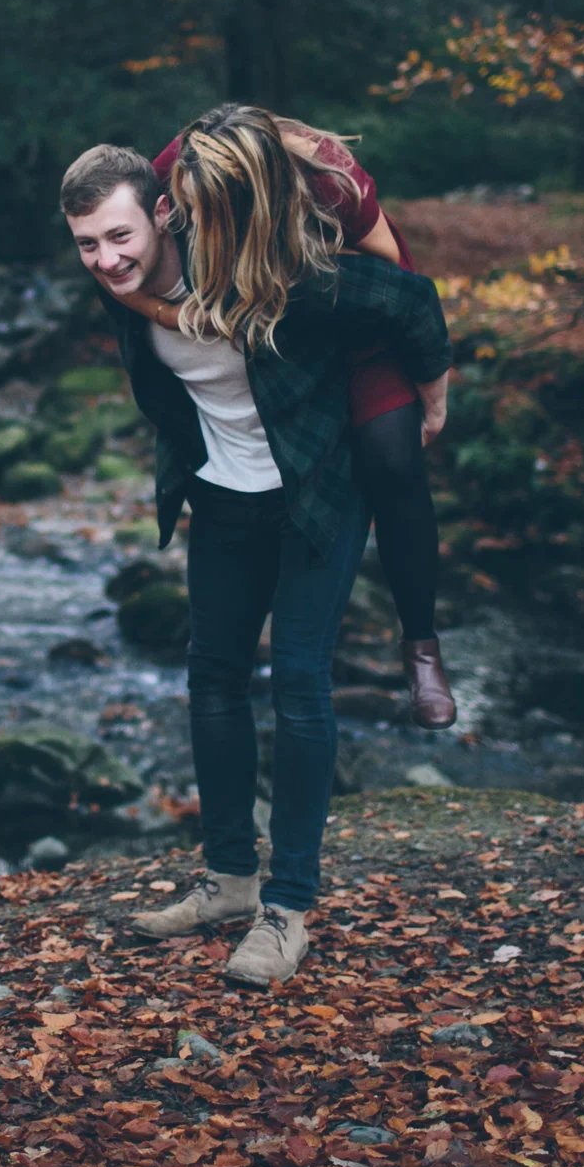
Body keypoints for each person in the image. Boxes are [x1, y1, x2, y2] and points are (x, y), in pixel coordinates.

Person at [60, 135, 453, 986]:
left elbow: (411, 300)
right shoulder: (118, 290)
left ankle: (288, 911)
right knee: (212, 676)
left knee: (301, 680)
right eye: (88, 243)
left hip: (316, 485)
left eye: (119, 237)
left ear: (164, 214)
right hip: (224, 493)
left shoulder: (264, 270)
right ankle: (231, 881)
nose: (106, 259)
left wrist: (430, 398)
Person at [120, 106, 456, 728]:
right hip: (261, 312)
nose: (187, 220)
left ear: (258, 202)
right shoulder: (169, 174)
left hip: (350, 307)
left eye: (204, 213)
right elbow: (117, 270)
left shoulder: (332, 184)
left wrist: (428, 394)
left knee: (392, 456)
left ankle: (421, 646)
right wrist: (177, 317)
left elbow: (399, 287)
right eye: (185, 209)